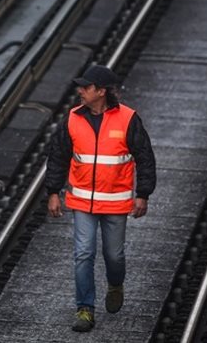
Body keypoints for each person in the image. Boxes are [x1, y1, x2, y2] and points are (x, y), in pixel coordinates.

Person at [44, 64, 156, 333]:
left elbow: (145, 157)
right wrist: (52, 192)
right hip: (82, 201)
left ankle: (115, 284)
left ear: (101, 91)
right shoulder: (72, 118)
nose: (80, 91)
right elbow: (58, 157)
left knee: (114, 256)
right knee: (84, 254)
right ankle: (85, 308)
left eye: (86, 87)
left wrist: (143, 194)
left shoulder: (128, 119)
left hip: (116, 202)